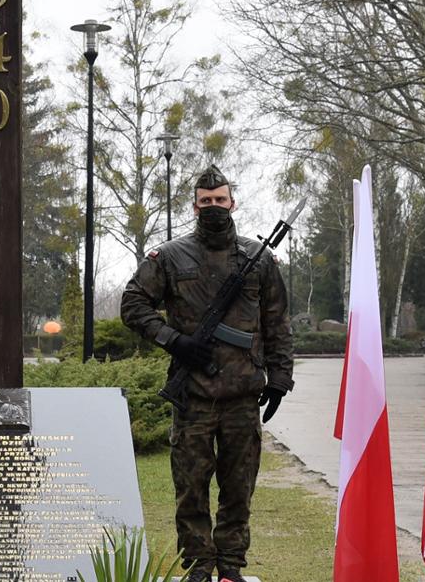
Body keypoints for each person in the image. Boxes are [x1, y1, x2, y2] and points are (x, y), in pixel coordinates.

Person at [120, 165, 294, 582]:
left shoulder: (260, 259)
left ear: (233, 203)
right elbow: (132, 304)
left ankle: (231, 568)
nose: (213, 207)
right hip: (193, 397)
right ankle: (199, 566)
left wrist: (280, 379)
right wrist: (173, 340)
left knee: (239, 491)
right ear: (194, 206)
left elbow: (277, 323)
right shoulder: (169, 257)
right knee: (190, 490)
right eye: (205, 201)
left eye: (220, 200)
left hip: (242, 397)